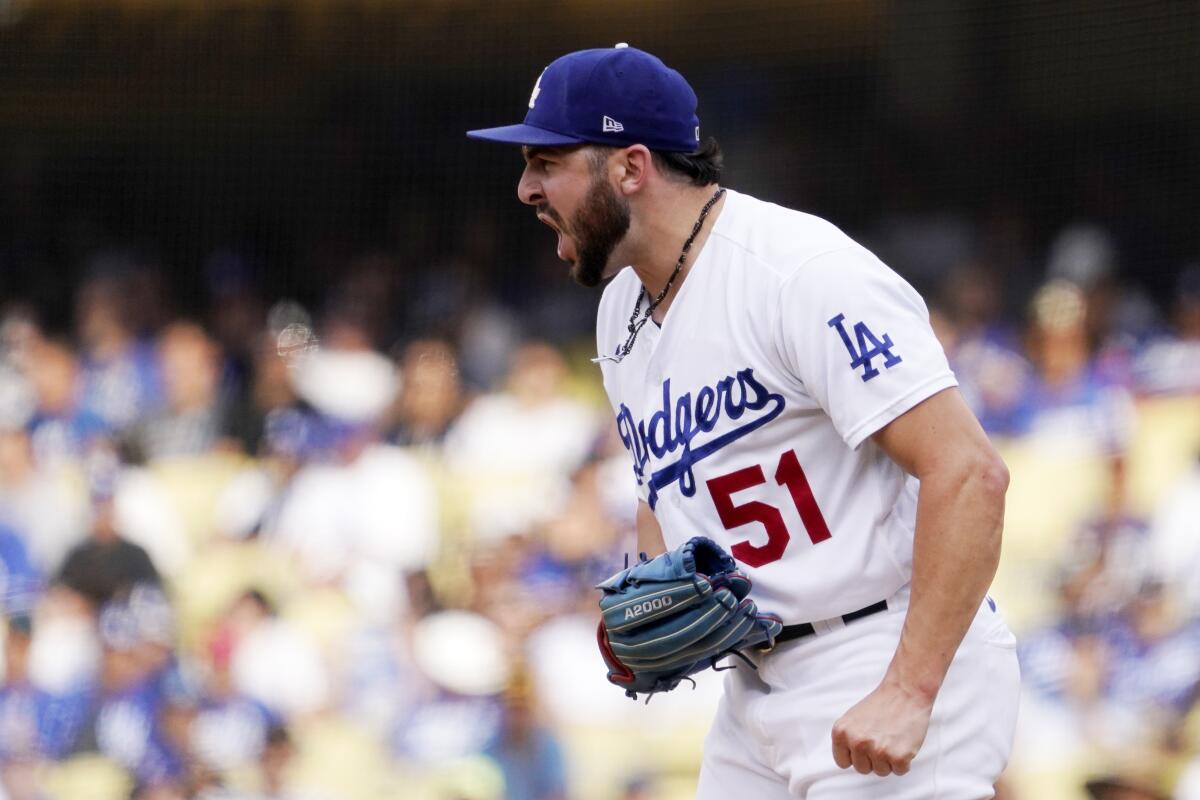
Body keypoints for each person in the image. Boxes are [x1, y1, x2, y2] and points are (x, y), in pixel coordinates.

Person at [468, 45, 1020, 798]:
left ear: (630, 167)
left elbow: (970, 472)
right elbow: (661, 484)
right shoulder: (619, 308)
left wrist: (910, 689)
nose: (527, 188)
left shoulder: (799, 273)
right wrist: (655, 592)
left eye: (546, 161)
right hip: (755, 685)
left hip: (880, 647)